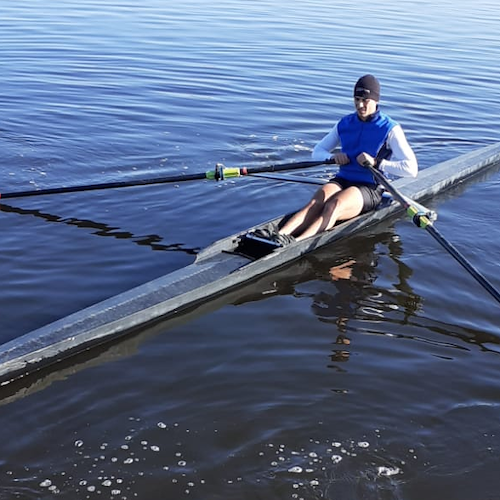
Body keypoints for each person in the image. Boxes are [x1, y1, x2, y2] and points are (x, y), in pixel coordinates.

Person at [275, 74, 418, 244]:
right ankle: (279, 236)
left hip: (370, 187)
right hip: (343, 179)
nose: (360, 105)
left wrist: (376, 162)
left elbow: (411, 169)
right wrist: (332, 157)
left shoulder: (390, 128)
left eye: (365, 100)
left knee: (333, 205)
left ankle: (297, 243)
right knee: (316, 201)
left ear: (375, 100)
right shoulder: (345, 123)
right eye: (357, 99)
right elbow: (317, 151)